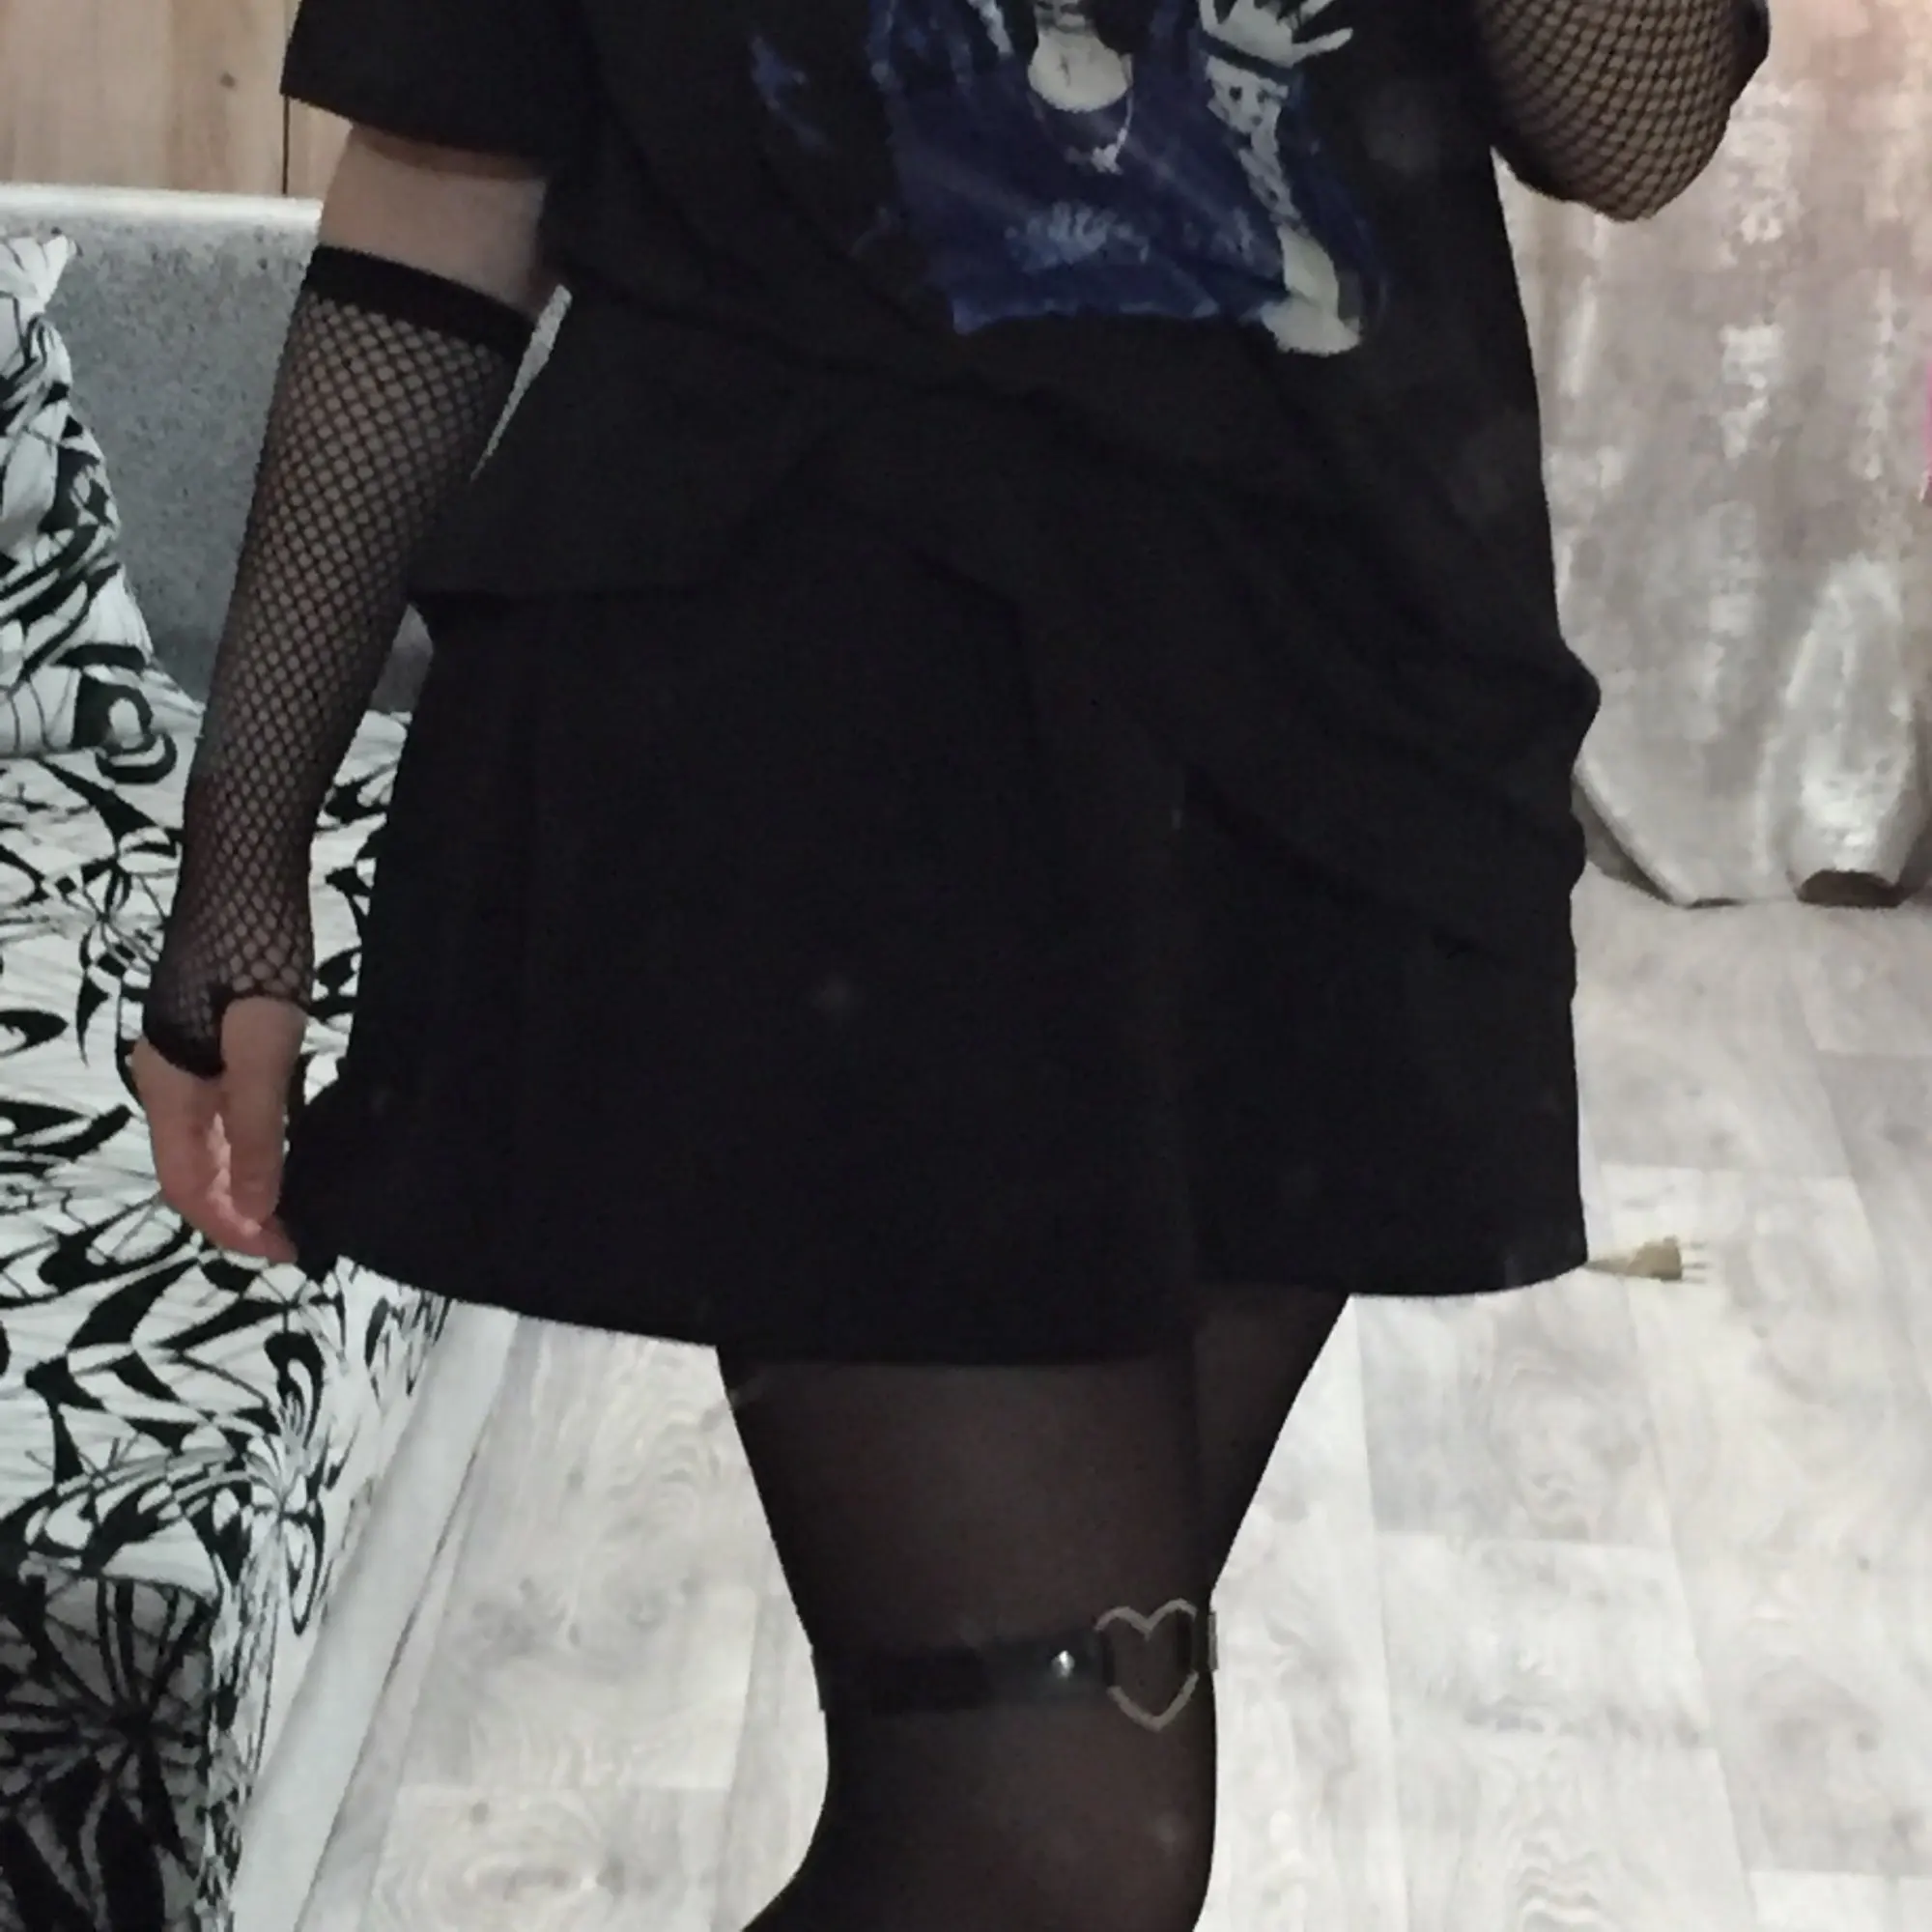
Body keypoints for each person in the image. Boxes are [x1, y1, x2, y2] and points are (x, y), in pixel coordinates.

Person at [130, 0, 1770, 1925]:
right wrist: (242, 849)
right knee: (1049, 1842)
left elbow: (1639, 132)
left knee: (1034, 1789)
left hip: (1331, 703)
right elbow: (445, 177)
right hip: (823, 682)